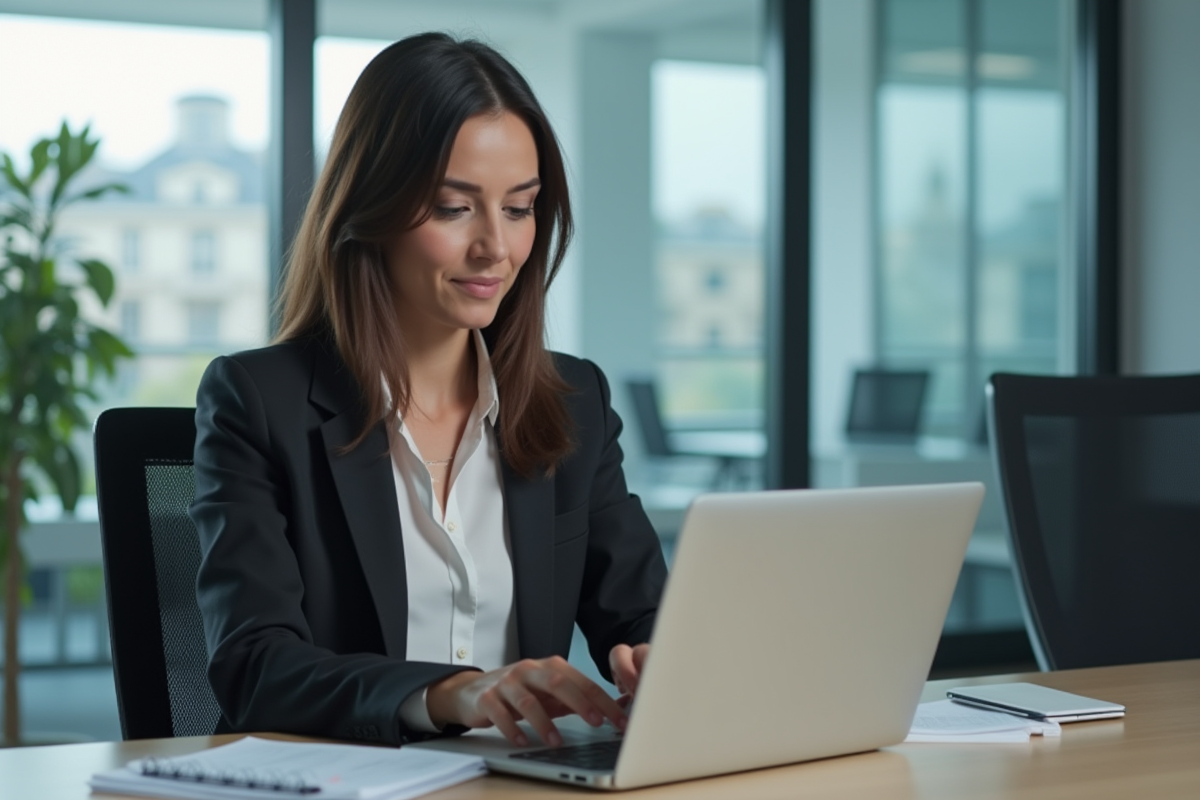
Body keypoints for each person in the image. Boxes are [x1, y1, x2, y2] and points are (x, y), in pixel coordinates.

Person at [189, 32, 668, 749]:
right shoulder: (259, 401)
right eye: (454, 208)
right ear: (372, 208)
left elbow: (643, 616)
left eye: (519, 208)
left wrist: (660, 660)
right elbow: (256, 668)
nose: (496, 249)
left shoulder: (573, 401)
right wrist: (455, 694)